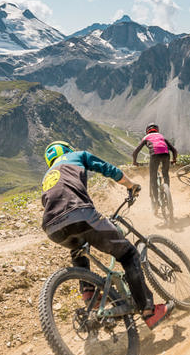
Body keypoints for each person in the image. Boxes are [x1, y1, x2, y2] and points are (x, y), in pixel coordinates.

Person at [40, 140, 173, 329]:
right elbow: (108, 169)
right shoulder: (77, 156)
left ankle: (89, 294)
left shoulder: (47, 176)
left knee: (78, 249)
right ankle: (148, 310)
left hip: (52, 228)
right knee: (128, 254)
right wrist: (130, 185)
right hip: (81, 214)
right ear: (68, 149)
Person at [131, 123, 178, 215]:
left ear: (147, 130)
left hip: (154, 155)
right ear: (157, 130)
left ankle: (156, 201)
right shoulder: (161, 136)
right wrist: (174, 160)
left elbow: (135, 152)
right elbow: (174, 150)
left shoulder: (146, 137)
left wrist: (134, 162)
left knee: (153, 178)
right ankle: (166, 192)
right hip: (166, 155)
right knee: (165, 174)